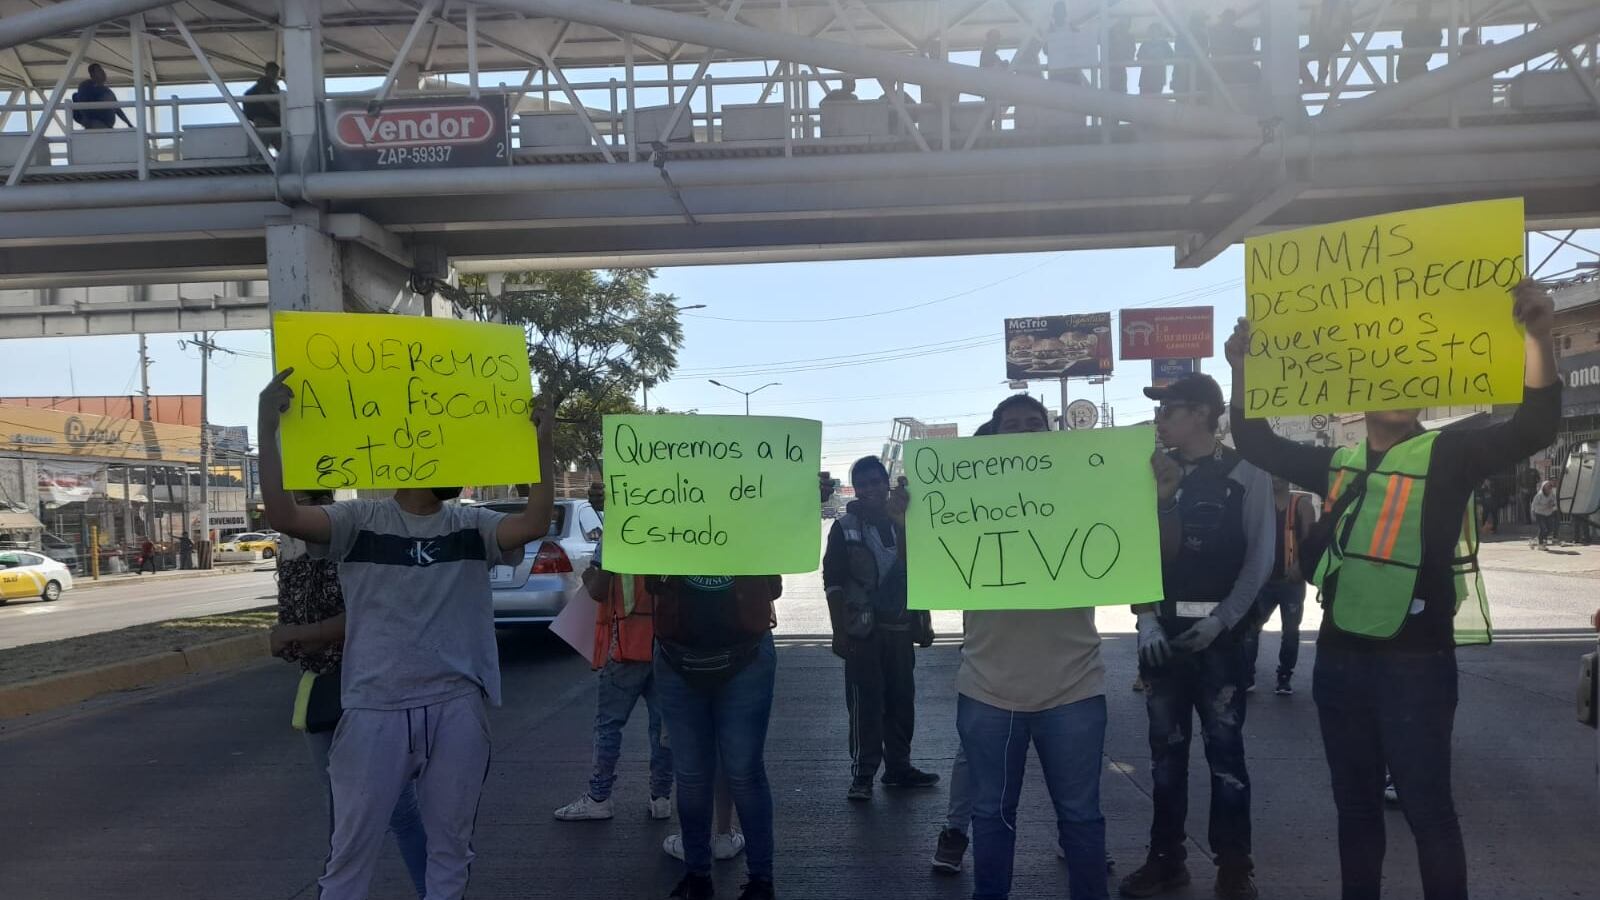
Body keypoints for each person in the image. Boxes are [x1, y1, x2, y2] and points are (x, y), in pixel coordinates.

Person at [1223, 279, 1560, 900]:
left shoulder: (1452, 455)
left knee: (1430, 814)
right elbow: (1256, 441)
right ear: (1359, 398)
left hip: (1418, 664)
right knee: (1355, 814)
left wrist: (1537, 335)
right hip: (1341, 661)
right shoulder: (1337, 464)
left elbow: (1537, 424)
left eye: (1412, 380)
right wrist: (1243, 371)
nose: (1400, 388)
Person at [257, 367, 555, 900]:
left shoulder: (475, 525)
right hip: (375, 709)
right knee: (350, 853)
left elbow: (533, 523)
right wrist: (267, 425)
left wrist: (539, 447)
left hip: (456, 706)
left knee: (451, 850)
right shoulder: (358, 520)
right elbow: (284, 514)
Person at [1120, 373, 1274, 900]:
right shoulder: (1145, 474)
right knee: (1165, 757)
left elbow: (1259, 560)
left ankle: (1235, 866)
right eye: (1160, 412)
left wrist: (1223, 621)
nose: (1160, 421)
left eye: (1171, 410)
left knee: (1226, 757)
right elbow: (1131, 551)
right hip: (1162, 638)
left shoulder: (1245, 472)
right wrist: (1144, 618)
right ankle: (1166, 860)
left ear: (1206, 414)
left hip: (1222, 643)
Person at [957, 394, 1111, 900]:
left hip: (1074, 686)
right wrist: (904, 521)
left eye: (1034, 423)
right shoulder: (963, 502)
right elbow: (929, 572)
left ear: (1050, 436)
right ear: (993, 437)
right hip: (988, 690)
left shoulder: (1086, 493)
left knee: (1081, 819)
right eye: (1011, 424)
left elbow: (1146, 551)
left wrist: (1158, 496)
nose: (1023, 430)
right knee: (990, 816)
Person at [267, 489, 429, 899]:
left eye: (302, 498)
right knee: (341, 813)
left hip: (373, 688)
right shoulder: (291, 554)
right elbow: (295, 618)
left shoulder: (355, 539)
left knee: (399, 808)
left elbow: (370, 612)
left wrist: (303, 635)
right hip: (321, 691)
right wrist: (291, 640)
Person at [651, 571, 784, 900]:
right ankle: (703, 876)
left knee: (739, 773)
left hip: (742, 653)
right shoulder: (661, 518)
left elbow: (774, 585)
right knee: (701, 775)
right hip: (679, 653)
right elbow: (649, 579)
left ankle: (756, 881)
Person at [825, 456, 939, 802]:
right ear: (855, 488)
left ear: (886, 483)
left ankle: (899, 768)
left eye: (877, 481)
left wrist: (925, 621)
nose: (871, 489)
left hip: (901, 630)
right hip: (863, 634)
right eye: (864, 484)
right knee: (865, 705)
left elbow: (921, 573)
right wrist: (839, 632)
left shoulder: (907, 522)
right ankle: (862, 775)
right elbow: (833, 583)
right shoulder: (844, 527)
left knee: (902, 701)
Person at [552, 532, 673, 822]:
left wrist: (591, 574)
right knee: (663, 729)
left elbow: (598, 590)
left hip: (627, 647)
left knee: (608, 725)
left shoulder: (620, 533)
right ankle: (661, 798)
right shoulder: (673, 530)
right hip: (668, 646)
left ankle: (598, 798)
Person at [1239, 477, 1315, 696]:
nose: (1275, 479)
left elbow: (1310, 541)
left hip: (1291, 583)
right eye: (1269, 475)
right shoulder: (1258, 505)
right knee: (1251, 630)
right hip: (1263, 582)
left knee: (1290, 632)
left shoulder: (1301, 505)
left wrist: (1301, 565)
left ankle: (1284, 677)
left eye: (1279, 474)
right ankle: (1247, 676)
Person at [1305, 0, 1352, 87]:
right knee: (1297, 58)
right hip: (1319, 42)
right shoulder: (1319, 5)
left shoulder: (1341, 4)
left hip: (1334, 40)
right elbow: (1313, 24)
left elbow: (1347, 24)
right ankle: (1308, 81)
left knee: (1324, 50)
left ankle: (1321, 79)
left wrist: (1338, 34)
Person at [71, 64, 131, 130]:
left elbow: (117, 109)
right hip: (94, 123)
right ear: (92, 74)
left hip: (107, 126)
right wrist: (88, 121)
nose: (103, 73)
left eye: (102, 70)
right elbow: (82, 102)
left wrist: (129, 124)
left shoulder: (107, 90)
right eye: (99, 71)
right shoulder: (86, 86)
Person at [1209, 9, 1259, 88]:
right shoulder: (1219, 31)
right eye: (1227, 18)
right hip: (1226, 68)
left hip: (1226, 68)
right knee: (1255, 71)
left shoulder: (1216, 31)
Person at [1398, 1, 1444, 82]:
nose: (1423, 12)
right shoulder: (1410, 25)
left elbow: (1437, 43)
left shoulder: (1433, 27)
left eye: (1425, 9)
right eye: (1421, 9)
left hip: (1417, 65)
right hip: (1407, 66)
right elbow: (1406, 40)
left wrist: (1421, 41)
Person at [243, 62, 282, 149]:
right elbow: (268, 101)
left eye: (276, 72)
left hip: (272, 120)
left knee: (281, 146)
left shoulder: (273, 86)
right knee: (264, 148)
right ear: (267, 72)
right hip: (263, 118)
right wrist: (280, 114)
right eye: (273, 71)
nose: (275, 74)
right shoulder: (264, 83)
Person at [1136, 24, 1173, 96]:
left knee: (1156, 102)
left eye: (1156, 31)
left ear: (1160, 32)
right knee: (1143, 103)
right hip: (1145, 80)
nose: (1154, 33)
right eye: (1152, 31)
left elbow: (1171, 57)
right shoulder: (1145, 44)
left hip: (1158, 79)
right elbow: (1139, 58)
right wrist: (1148, 56)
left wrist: (1160, 55)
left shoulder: (1165, 44)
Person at [1107, 20, 1134, 94]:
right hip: (1109, 70)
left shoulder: (1129, 38)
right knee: (1109, 92)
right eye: (1121, 25)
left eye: (1126, 26)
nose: (1123, 28)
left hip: (1120, 69)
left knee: (1121, 92)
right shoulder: (1108, 35)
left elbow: (1131, 56)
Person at [1532, 480, 1560, 548]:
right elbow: (1534, 505)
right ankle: (1540, 544)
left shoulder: (1552, 494)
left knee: (1550, 529)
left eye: (1550, 487)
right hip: (1539, 513)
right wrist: (1545, 506)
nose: (1549, 488)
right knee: (1543, 529)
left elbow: (1555, 503)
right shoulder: (1539, 495)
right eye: (1547, 487)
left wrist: (1553, 505)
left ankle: (1540, 538)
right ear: (1543, 487)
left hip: (1548, 513)